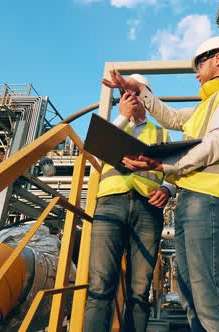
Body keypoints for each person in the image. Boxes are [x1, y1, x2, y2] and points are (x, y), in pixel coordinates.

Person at [102, 36, 219, 331]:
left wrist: (163, 165)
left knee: (209, 296)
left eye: (199, 62)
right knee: (190, 294)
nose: (196, 70)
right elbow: (173, 118)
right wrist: (140, 90)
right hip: (192, 201)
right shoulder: (209, 104)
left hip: (212, 200)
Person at [83, 74, 175, 332]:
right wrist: (121, 116)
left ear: (147, 98)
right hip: (111, 203)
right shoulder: (114, 125)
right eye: (126, 95)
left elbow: (175, 171)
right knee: (100, 285)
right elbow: (91, 153)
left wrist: (167, 189)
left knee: (139, 291)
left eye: (136, 94)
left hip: (149, 208)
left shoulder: (161, 132)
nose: (132, 99)